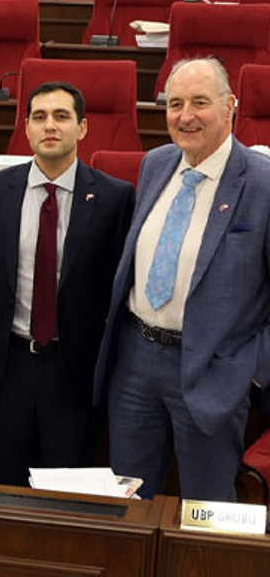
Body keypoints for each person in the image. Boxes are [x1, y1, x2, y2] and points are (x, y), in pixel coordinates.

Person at [95, 57, 270, 500]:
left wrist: (249, 371)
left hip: (213, 373)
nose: (185, 116)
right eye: (175, 104)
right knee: (130, 505)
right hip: (135, 361)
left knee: (205, 514)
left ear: (231, 105)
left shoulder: (263, 183)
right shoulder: (156, 163)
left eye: (199, 103)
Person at [0, 82, 134, 486]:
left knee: (65, 493)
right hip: (9, 366)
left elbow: (116, 284)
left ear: (81, 128)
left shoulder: (115, 198)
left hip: (74, 370)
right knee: (5, 487)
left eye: (62, 116)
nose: (50, 126)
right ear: (25, 128)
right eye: (39, 117)